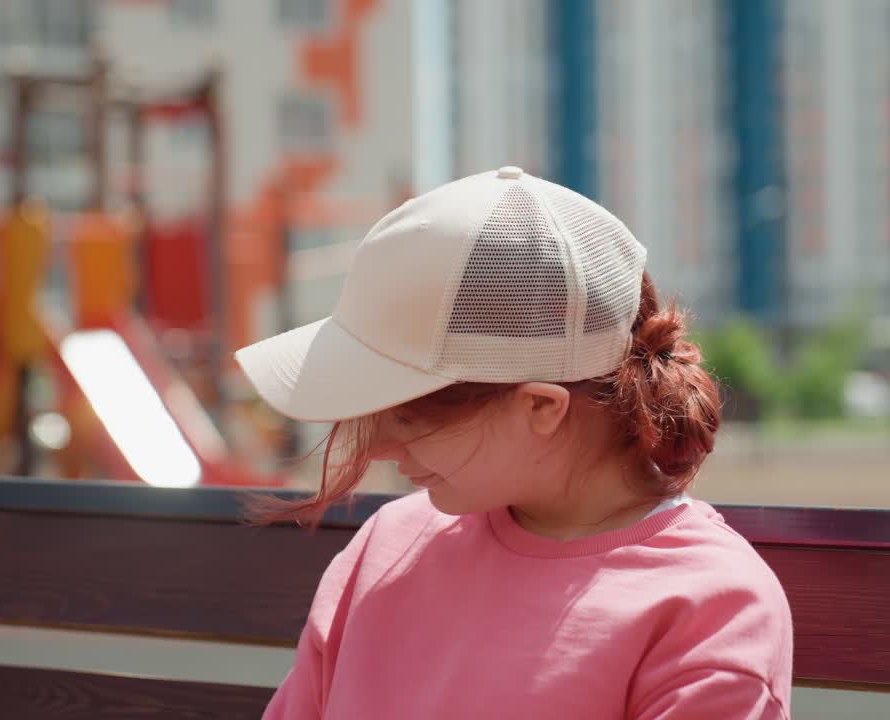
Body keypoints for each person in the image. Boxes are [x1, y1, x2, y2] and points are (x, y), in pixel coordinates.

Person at [235, 166, 793, 719]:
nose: (378, 447)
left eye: (406, 417)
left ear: (540, 406)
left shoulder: (712, 610)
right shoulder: (389, 542)